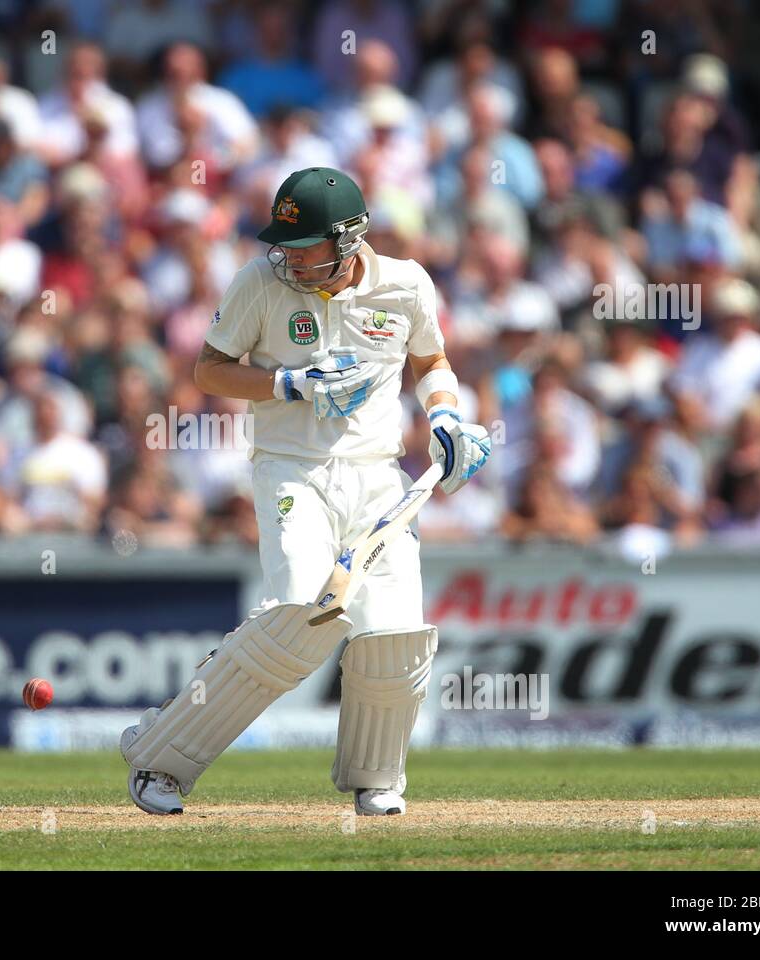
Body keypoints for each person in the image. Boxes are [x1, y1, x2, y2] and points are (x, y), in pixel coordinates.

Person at [119, 168, 490, 816]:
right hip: (292, 468)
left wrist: (444, 416)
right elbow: (208, 370)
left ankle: (375, 778)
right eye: (284, 241)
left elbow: (432, 362)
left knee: (396, 631)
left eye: (305, 244)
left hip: (379, 477)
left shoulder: (405, 284)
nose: (289, 255)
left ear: (347, 240)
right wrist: (290, 384)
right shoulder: (260, 282)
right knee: (300, 614)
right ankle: (161, 757)